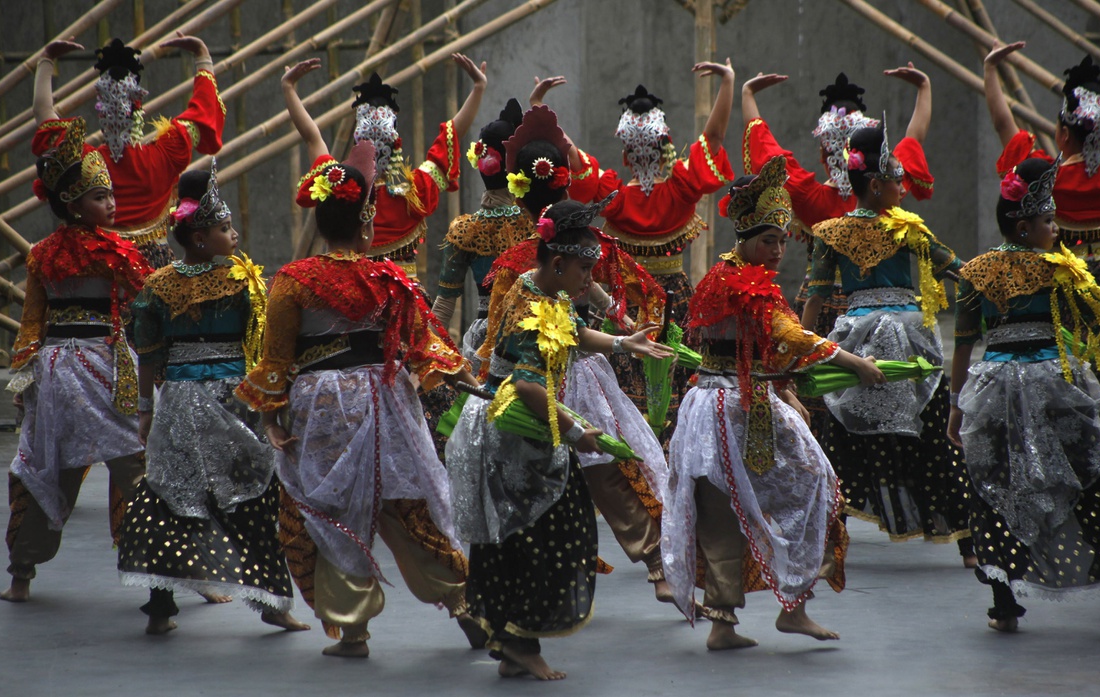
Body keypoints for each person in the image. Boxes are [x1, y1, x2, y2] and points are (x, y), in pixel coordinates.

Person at [239, 90, 483, 655]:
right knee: (406, 505)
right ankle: (463, 601)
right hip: (385, 399)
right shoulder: (392, 280)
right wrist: (470, 382)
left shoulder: (293, 281)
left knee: (329, 511)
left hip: (320, 406)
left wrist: (271, 419)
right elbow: (424, 348)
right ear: (368, 227)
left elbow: (276, 362)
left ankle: (352, 632)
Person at [949, 155, 1100, 638]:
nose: (1056, 229)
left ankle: (1003, 602)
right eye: (1047, 220)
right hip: (1053, 388)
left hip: (995, 391)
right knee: (1094, 484)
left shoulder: (976, 271)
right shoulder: (1062, 269)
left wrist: (957, 409)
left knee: (996, 490)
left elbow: (962, 345)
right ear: (1023, 226)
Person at [661, 156, 882, 651]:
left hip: (732, 401)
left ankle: (772, 612)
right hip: (726, 408)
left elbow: (758, 348)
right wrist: (854, 362)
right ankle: (742, 619)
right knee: (747, 500)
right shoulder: (741, 282)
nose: (779, 249)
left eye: (784, 240)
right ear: (743, 237)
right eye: (769, 240)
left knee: (806, 482)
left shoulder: (731, 274)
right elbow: (788, 334)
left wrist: (783, 392)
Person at [447, 198, 672, 681]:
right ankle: (520, 641)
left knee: (518, 534)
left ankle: (510, 643)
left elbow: (571, 334)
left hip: (522, 428)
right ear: (558, 263)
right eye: (586, 268)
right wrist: (575, 432)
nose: (591, 278)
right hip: (514, 432)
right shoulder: (530, 305)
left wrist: (621, 342)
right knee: (556, 532)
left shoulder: (542, 291)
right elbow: (527, 385)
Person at [117, 160, 307, 635]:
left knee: (171, 493)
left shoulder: (159, 286)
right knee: (256, 496)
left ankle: (161, 608)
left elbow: (149, 354)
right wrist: (271, 411)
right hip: (230, 400)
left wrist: (146, 409)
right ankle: (271, 604)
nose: (235, 235)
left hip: (181, 402)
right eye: (224, 228)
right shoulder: (244, 281)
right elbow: (263, 351)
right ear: (199, 238)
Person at [983, 24, 1100, 458]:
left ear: (1063, 132)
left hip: (1065, 281)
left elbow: (1003, 123)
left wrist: (992, 70)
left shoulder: (1048, 177)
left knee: (1070, 367)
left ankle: (1073, 444)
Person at [803, 124, 972, 561]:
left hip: (854, 340)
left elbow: (815, 296)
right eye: (897, 180)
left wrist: (808, 347)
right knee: (933, 433)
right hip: (911, 338)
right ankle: (969, 544)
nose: (903, 188)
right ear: (875, 185)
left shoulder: (830, 232)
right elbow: (957, 269)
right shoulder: (908, 228)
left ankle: (829, 542)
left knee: (840, 438)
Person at [0, 116, 150, 602]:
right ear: (71, 202)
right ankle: (160, 578)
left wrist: (25, 380)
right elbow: (145, 307)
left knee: (49, 468)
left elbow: (31, 327)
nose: (111, 203)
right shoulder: (119, 253)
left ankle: (21, 574)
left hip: (59, 370)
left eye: (110, 194)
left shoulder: (42, 254)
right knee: (134, 467)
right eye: (100, 196)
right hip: (105, 368)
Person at [741, 66, 934, 432]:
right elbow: (914, 139)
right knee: (883, 394)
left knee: (818, 394)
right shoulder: (885, 191)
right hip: (885, 314)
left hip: (821, 305)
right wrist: (924, 86)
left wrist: (748, 95)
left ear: (823, 149)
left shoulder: (809, 197)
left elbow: (767, 149)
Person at [565, 62, 736, 442]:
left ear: (626, 153)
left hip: (625, 302)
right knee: (678, 376)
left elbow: (578, 164)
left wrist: (556, 130)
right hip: (675, 298)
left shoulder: (615, 198)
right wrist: (729, 82)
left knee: (626, 380)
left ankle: (631, 453)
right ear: (665, 147)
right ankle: (675, 449)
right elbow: (715, 137)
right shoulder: (680, 190)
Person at [33, 34, 226, 268]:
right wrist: (202, 54)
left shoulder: (85, 161)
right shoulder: (168, 153)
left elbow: (44, 113)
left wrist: (46, 59)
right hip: (157, 271)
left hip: (102, 267)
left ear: (100, 110)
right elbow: (203, 111)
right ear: (138, 108)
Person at [284, 56, 486, 275]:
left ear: (357, 139)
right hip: (406, 302)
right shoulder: (415, 191)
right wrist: (478, 88)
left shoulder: (338, 187)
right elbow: (452, 135)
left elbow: (312, 138)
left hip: (352, 297)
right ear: (395, 140)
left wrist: (289, 89)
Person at [432, 98, 532, 364]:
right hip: (537, 334)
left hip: (486, 342)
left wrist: (425, 356)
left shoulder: (465, 229)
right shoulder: (537, 222)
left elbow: (444, 306)